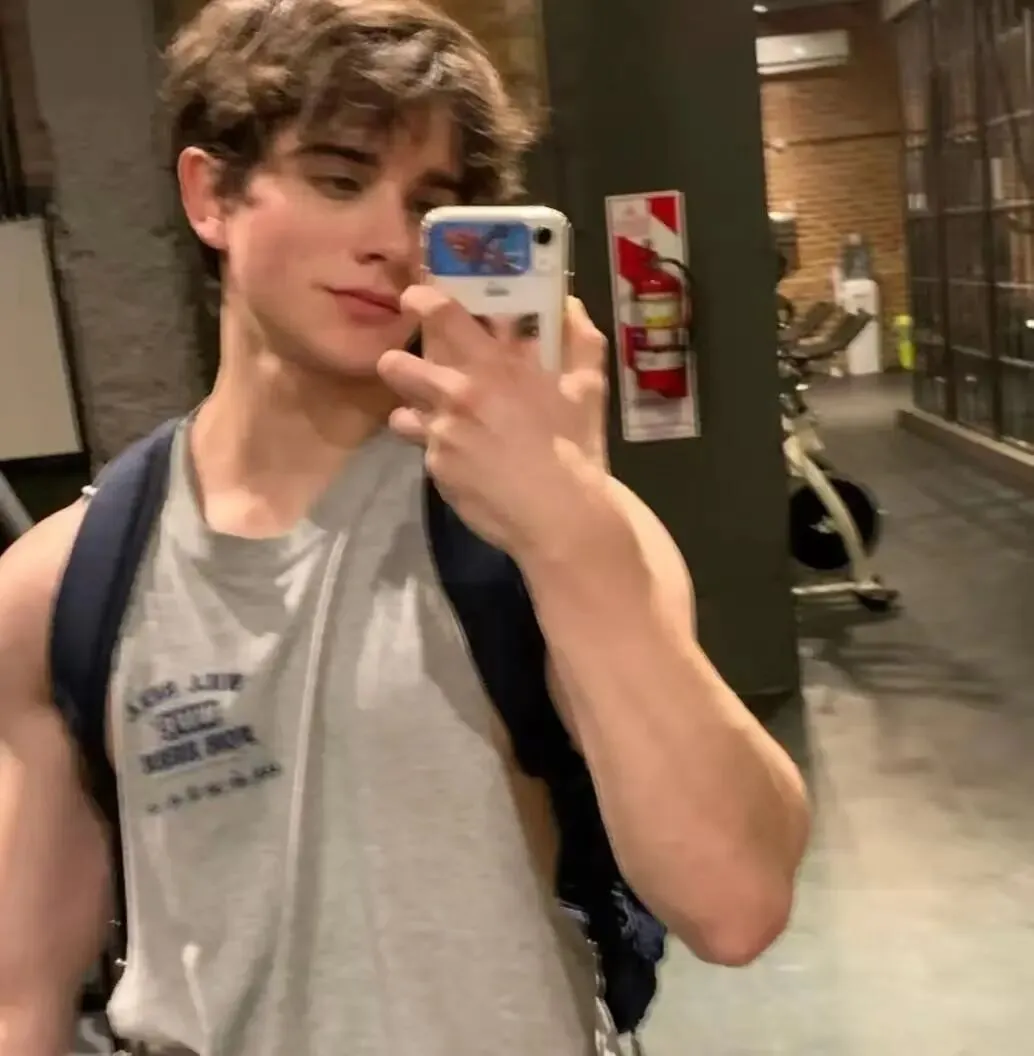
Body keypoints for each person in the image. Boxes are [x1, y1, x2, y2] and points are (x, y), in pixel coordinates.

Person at [0, 1, 811, 1054]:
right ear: (211, 195)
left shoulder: (545, 528)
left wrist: (569, 533)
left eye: (430, 205)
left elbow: (735, 905)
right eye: (339, 180)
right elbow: (21, 1003)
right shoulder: (64, 587)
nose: (388, 240)